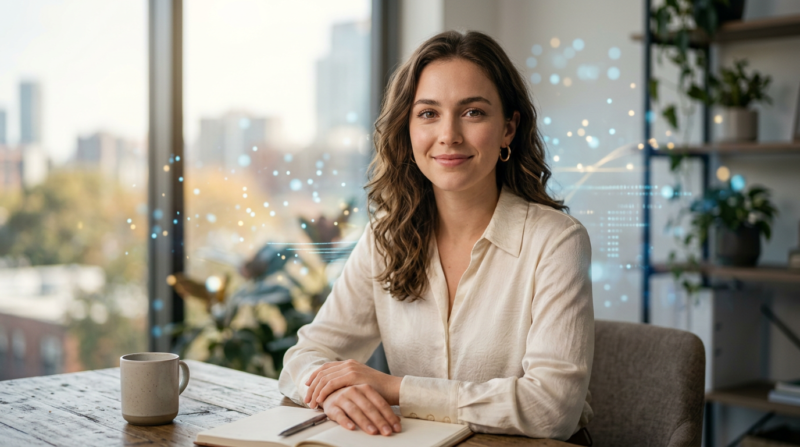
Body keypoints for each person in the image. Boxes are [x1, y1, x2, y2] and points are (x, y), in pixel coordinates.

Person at [278, 30, 594, 442]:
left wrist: (394, 388)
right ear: (407, 130)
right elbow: (302, 359)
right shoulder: (385, 237)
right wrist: (332, 393)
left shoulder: (557, 242)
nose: (449, 135)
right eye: (428, 113)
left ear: (508, 129)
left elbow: (552, 409)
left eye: (473, 112)